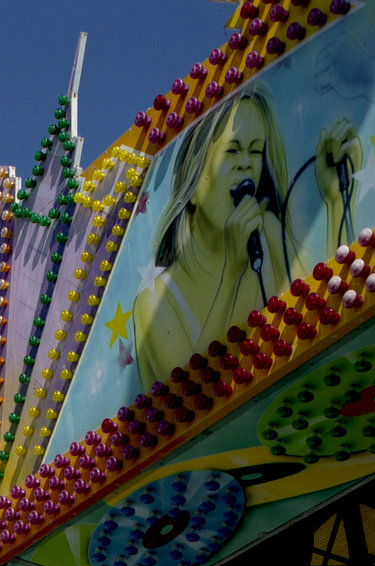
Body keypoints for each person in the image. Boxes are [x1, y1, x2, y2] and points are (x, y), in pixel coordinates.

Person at [133, 85, 362, 390]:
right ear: (193, 182)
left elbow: (326, 317)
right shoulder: (153, 301)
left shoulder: (267, 231)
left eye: (255, 151)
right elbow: (194, 395)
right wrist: (232, 272)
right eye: (232, 150)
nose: (246, 164)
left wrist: (336, 201)